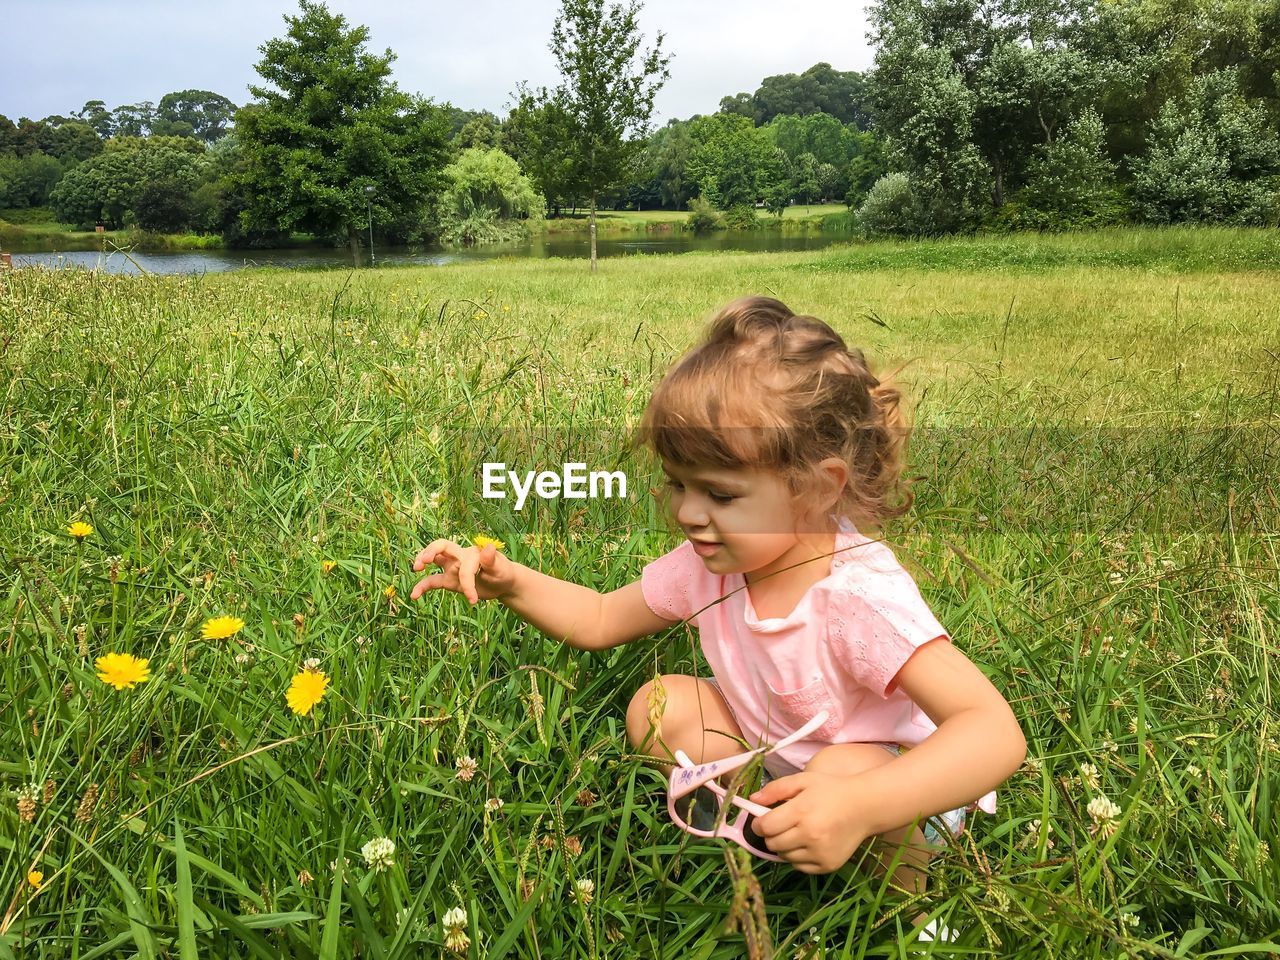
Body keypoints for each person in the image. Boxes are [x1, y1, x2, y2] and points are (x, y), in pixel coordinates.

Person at [409, 295, 1026, 939]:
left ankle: (914, 916)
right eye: (679, 484)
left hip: (898, 791)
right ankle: (753, 833)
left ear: (819, 487)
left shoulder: (856, 597)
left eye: (720, 494)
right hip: (788, 760)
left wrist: (862, 804)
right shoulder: (711, 562)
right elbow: (596, 619)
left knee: (841, 770)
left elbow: (993, 733)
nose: (687, 512)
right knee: (663, 706)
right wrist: (510, 581)